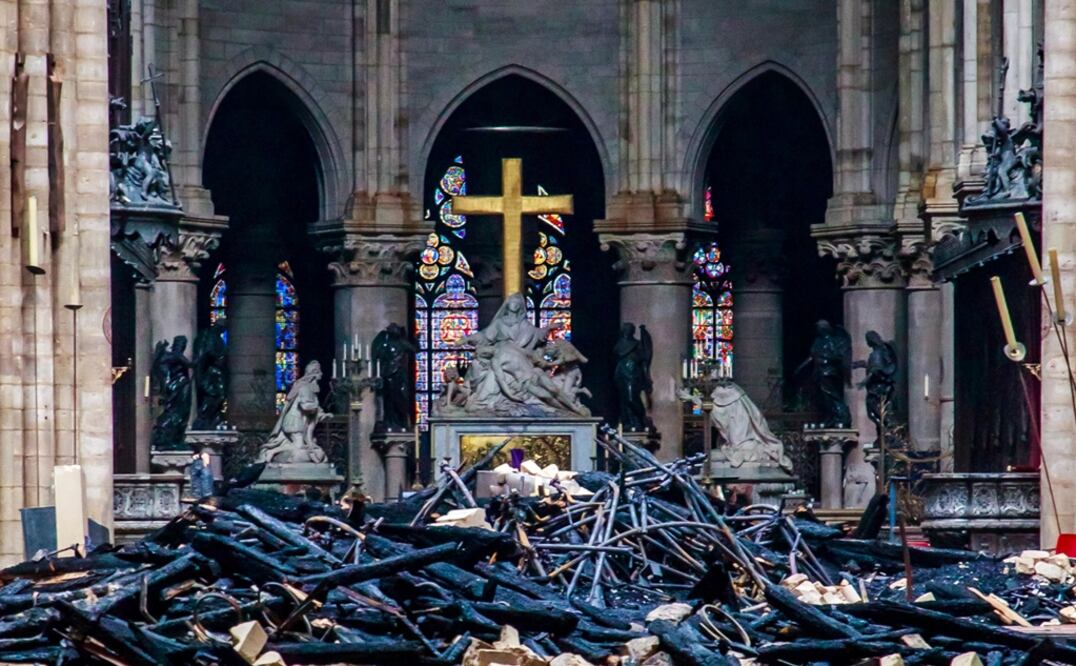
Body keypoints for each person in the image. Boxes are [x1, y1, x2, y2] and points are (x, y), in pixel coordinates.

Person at [256, 361, 332, 463]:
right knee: (299, 445)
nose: (322, 374)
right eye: (319, 372)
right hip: (295, 421)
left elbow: (314, 405)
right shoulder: (304, 387)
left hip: (300, 421)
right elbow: (305, 405)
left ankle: (273, 451)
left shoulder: (308, 387)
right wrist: (316, 410)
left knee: (300, 445)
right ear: (313, 373)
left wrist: (322, 414)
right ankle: (271, 452)